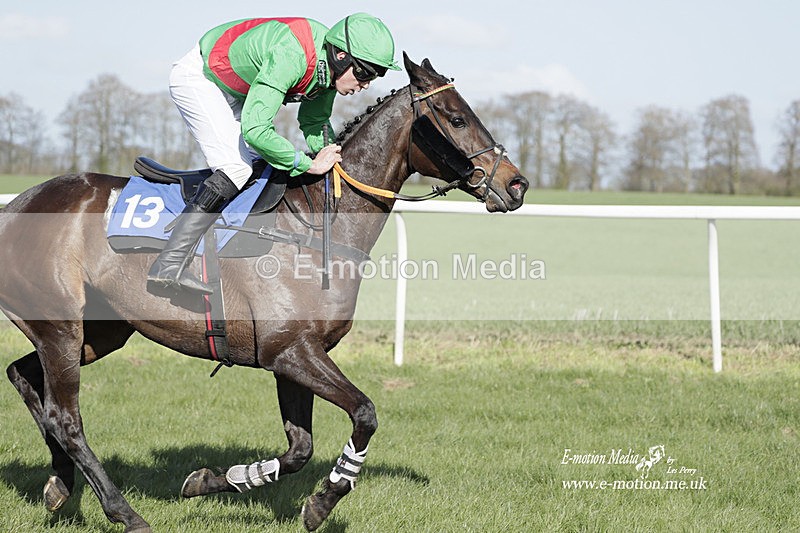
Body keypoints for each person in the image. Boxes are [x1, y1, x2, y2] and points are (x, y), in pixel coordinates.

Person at [147, 13, 400, 295]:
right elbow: (255, 130)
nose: (366, 84)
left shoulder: (328, 70)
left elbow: (315, 123)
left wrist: (331, 157)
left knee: (260, 166)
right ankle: (168, 264)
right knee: (236, 168)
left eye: (375, 76)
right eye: (364, 73)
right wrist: (307, 164)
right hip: (202, 78)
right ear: (341, 55)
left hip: (237, 90)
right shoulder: (292, 54)